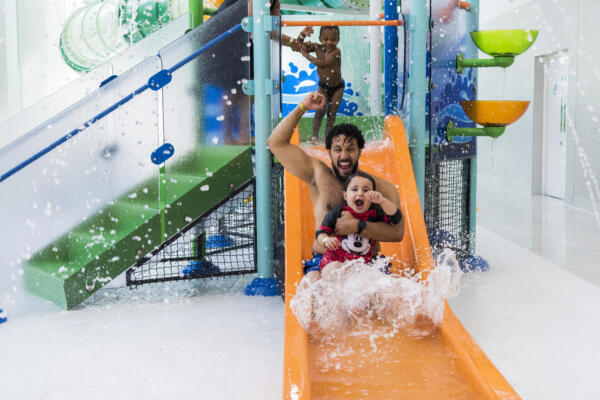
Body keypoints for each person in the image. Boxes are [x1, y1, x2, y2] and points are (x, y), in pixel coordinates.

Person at [267, 92, 405, 284]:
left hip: (367, 262)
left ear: (359, 151)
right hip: (324, 260)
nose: (344, 156)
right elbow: (276, 143)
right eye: (338, 150)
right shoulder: (318, 175)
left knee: (384, 292)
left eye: (350, 149)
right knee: (313, 285)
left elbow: (397, 233)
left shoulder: (381, 188)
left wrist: (358, 226)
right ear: (329, 152)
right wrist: (302, 107)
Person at [316, 171, 402, 278]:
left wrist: (382, 201)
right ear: (345, 195)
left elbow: (395, 218)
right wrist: (326, 240)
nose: (360, 193)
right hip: (335, 260)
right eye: (354, 189)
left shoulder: (374, 214)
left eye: (366, 190)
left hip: (362, 266)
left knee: (386, 279)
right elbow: (320, 232)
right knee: (333, 270)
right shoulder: (337, 213)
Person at [297, 26, 343, 144]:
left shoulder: (336, 51)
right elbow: (299, 45)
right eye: (325, 39)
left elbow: (323, 64)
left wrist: (306, 55)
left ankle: (327, 137)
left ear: (338, 39)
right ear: (320, 38)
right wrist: (302, 35)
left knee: (331, 112)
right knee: (320, 110)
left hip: (337, 88)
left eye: (333, 39)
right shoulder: (317, 47)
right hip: (323, 86)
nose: (329, 42)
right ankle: (314, 137)